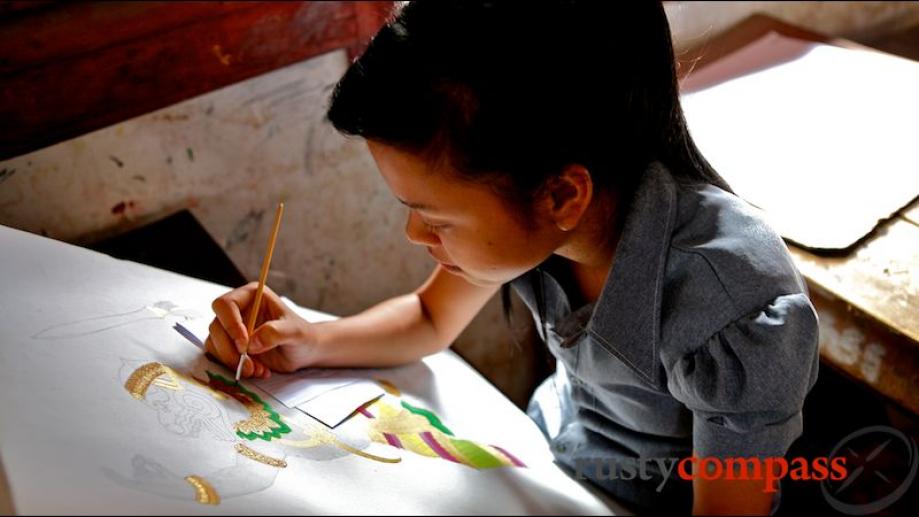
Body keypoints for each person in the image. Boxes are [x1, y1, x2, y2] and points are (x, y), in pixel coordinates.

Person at [205, 1, 820, 514]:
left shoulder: (729, 307)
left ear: (561, 193)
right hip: (554, 456)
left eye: (436, 217)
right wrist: (308, 340)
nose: (415, 235)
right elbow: (428, 319)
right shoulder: (543, 224)